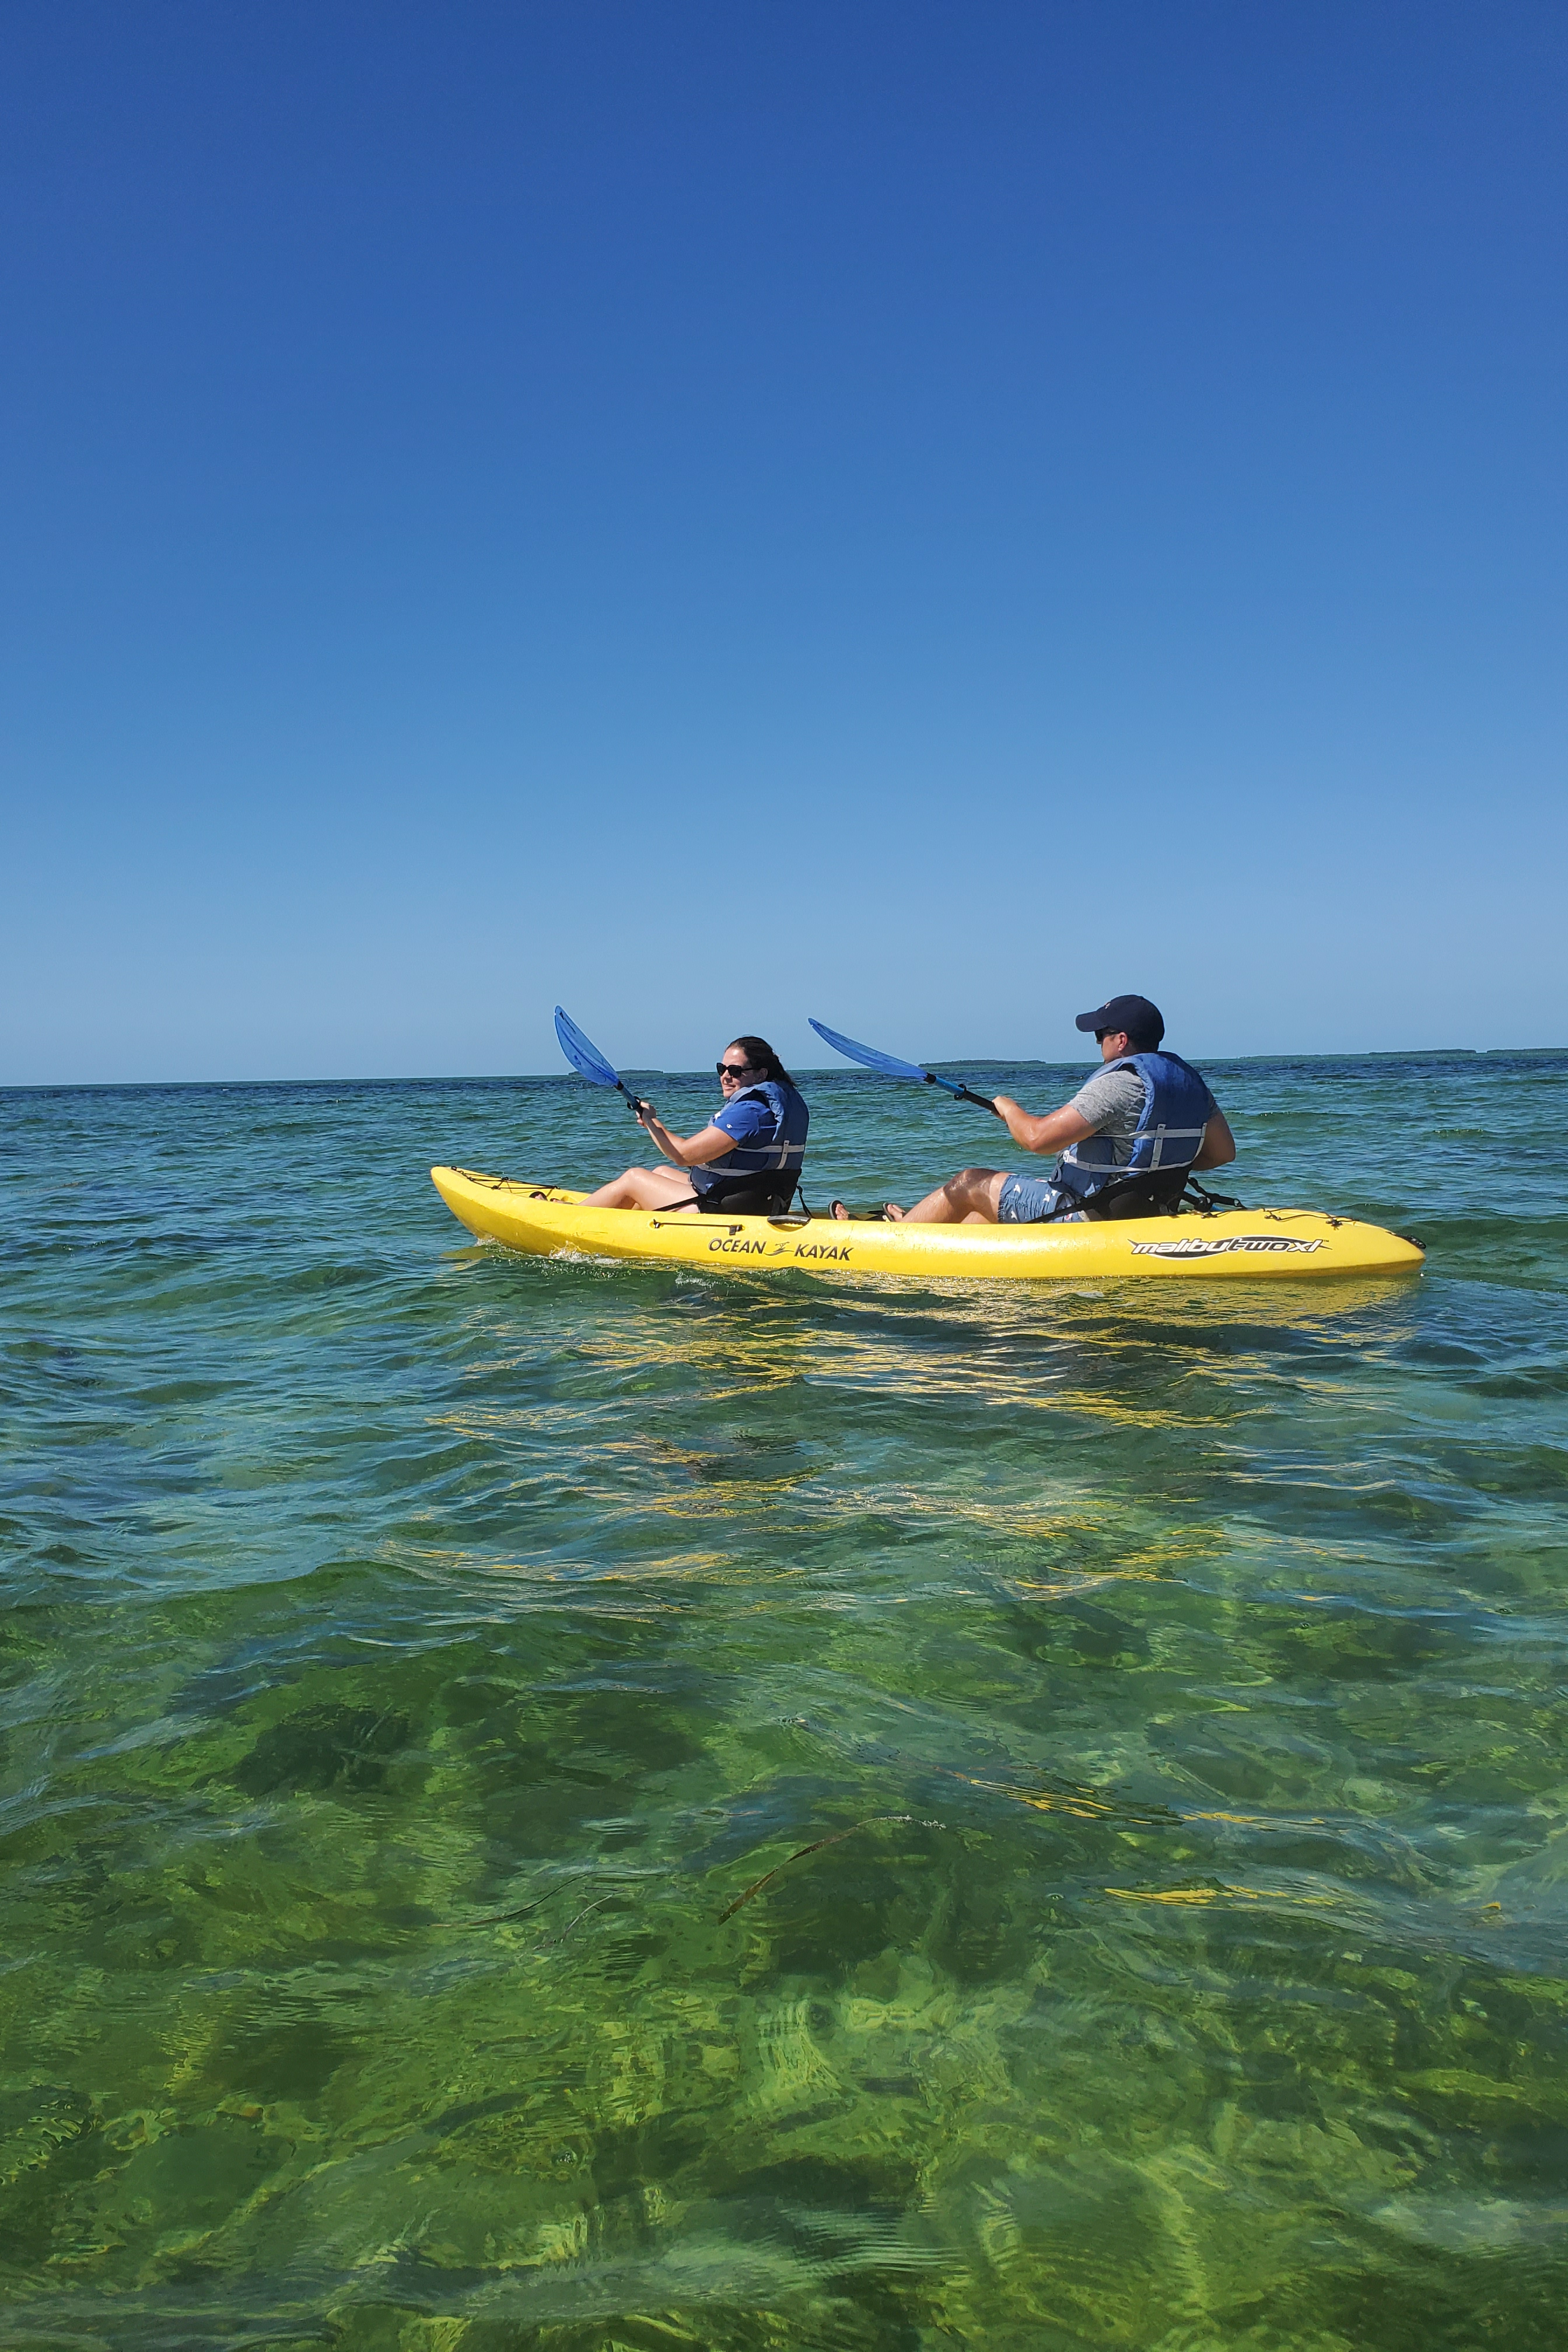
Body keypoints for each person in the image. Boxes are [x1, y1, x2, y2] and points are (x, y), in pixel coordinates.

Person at [884, 994, 1234, 1224]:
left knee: (969, 1183)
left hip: (1090, 1214)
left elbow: (1038, 1139)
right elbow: (1222, 1153)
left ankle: (894, 1241)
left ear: (1121, 1040)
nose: (1099, 1043)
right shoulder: (1192, 1084)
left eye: (1101, 1035)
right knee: (980, 1211)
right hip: (1148, 1210)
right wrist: (1152, 1171)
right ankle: (931, 1232)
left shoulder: (1119, 1083)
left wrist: (1008, 1109)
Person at [584, 1037, 808, 1214]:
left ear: (762, 1074)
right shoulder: (783, 1104)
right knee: (661, 1172)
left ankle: (570, 1215)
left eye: (736, 1071)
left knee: (634, 1178)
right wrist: (652, 1123)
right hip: (757, 1204)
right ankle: (628, 1225)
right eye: (723, 1069)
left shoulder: (750, 1112)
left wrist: (652, 1122)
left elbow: (684, 1155)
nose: (726, 1076)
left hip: (723, 1212)